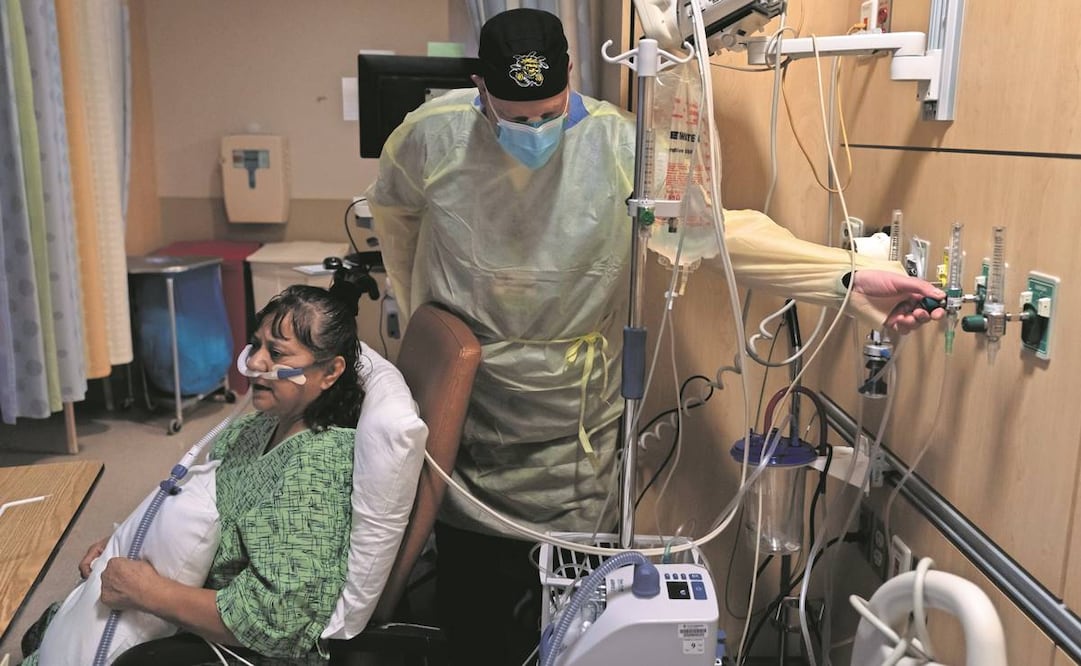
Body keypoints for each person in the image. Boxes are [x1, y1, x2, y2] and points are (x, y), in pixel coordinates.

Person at [367, 8, 945, 664]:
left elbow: (713, 236)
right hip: (467, 410)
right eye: (514, 118)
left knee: (567, 624)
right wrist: (432, 343)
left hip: (573, 428)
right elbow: (397, 230)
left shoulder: (623, 146)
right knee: (472, 619)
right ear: (478, 88)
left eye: (548, 113)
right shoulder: (427, 139)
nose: (533, 131)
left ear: (573, 79)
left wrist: (849, 276)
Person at [20, 285, 363, 665]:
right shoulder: (255, 428)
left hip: (229, 649)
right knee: (49, 631)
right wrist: (123, 542)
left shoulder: (318, 469)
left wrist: (149, 592)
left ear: (330, 372)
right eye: (256, 345)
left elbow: (279, 619)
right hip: (185, 591)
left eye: (277, 352)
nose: (255, 362)